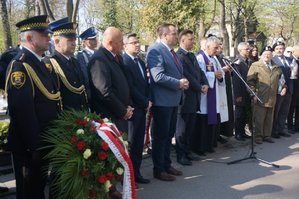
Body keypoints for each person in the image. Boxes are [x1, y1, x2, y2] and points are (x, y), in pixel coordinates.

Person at [5, 15, 61, 199]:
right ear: (29, 38)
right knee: (29, 192)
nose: (49, 37)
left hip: (43, 142)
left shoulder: (40, 62)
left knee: (38, 189)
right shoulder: (20, 66)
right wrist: (35, 147)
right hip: (29, 147)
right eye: (44, 34)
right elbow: (23, 112)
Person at [147, 23, 188, 181]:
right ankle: (159, 169)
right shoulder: (156, 50)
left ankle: (166, 164)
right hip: (162, 101)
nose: (176, 36)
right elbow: (158, 76)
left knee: (168, 135)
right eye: (174, 33)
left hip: (172, 100)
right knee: (160, 136)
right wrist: (178, 83)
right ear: (165, 35)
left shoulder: (170, 51)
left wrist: (181, 82)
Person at [88, 27, 133, 133]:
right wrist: (123, 111)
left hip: (120, 115)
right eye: (120, 42)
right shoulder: (99, 60)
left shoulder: (117, 57)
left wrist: (128, 106)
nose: (123, 44)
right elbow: (104, 92)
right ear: (110, 43)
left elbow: (124, 83)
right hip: (110, 118)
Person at [175, 29, 208, 166]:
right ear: (183, 40)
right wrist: (199, 87)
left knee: (190, 127)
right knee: (181, 129)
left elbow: (199, 71)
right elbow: (186, 75)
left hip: (194, 97)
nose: (193, 41)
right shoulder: (179, 56)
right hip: (185, 98)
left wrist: (205, 83)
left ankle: (188, 151)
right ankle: (181, 155)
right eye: (190, 39)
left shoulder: (192, 55)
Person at [122, 33, 151, 184]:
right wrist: (144, 101)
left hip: (143, 107)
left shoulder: (140, 61)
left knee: (139, 142)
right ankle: (129, 176)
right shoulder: (125, 61)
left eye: (138, 42)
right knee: (131, 143)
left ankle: (137, 173)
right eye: (133, 42)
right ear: (125, 46)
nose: (137, 45)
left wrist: (148, 100)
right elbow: (130, 87)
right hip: (133, 109)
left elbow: (145, 84)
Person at [44, 19, 88, 111]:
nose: (74, 43)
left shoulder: (74, 61)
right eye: (69, 40)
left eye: (74, 40)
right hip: (64, 119)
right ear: (56, 41)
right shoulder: (50, 63)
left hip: (81, 116)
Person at [194, 36, 225, 155]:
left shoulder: (214, 59)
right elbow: (200, 75)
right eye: (215, 48)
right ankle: (200, 147)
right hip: (204, 95)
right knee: (203, 121)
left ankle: (209, 144)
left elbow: (220, 72)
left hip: (214, 92)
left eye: (217, 48)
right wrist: (213, 75)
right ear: (207, 47)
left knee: (211, 120)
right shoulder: (200, 58)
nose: (217, 50)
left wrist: (220, 74)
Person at [247, 46, 284, 144]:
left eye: (269, 54)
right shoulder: (255, 65)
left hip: (272, 96)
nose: (267, 56)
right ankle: (258, 136)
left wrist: (284, 87)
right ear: (261, 55)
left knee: (269, 118)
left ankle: (267, 135)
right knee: (259, 118)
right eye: (265, 54)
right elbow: (250, 82)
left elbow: (281, 80)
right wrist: (253, 94)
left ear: (272, 55)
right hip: (260, 96)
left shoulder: (276, 66)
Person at [271, 41, 294, 138]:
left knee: (285, 110)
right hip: (279, 89)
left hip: (289, 89)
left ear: (284, 49)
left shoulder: (289, 60)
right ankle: (274, 130)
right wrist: (282, 87)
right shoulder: (272, 60)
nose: (280, 50)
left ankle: (281, 129)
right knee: (276, 111)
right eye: (277, 49)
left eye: (281, 48)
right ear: (274, 50)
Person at [232, 42, 252, 141]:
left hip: (247, 91)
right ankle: (238, 133)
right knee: (239, 114)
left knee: (245, 113)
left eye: (249, 49)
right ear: (240, 50)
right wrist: (238, 95)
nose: (248, 51)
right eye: (246, 49)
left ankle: (243, 132)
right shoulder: (237, 62)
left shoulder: (248, 61)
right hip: (240, 91)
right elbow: (236, 80)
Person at [76, 27, 98, 100]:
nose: (95, 41)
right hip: (92, 91)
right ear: (84, 42)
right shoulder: (81, 56)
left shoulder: (99, 53)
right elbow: (85, 75)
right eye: (92, 39)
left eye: (95, 38)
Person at [288, 44, 299, 133]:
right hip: (293, 87)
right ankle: (290, 126)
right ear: (294, 51)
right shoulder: (290, 60)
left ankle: (297, 126)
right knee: (291, 107)